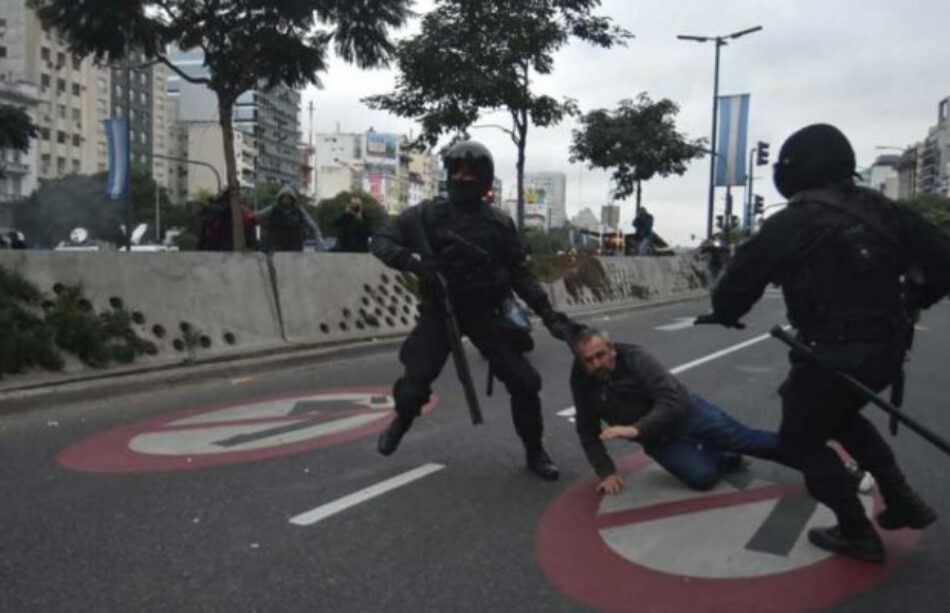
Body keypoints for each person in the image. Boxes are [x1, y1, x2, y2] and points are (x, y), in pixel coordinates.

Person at [698, 123, 950, 563]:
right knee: (838, 415)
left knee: (799, 438)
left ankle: (857, 531)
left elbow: (736, 286)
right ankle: (901, 496)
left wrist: (725, 315)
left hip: (834, 354)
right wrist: (913, 301)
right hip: (888, 352)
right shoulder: (887, 211)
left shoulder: (794, 221)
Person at [370, 140, 581, 480]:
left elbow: (519, 273)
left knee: (525, 381)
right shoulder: (425, 215)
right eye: (457, 170)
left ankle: (534, 450)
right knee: (415, 382)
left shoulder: (498, 224)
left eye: (471, 172)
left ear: (484, 179)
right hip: (441, 309)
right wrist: (415, 263)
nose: (463, 177)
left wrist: (548, 313)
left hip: (487, 311)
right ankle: (403, 418)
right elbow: (380, 241)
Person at [571, 328, 796, 494]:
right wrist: (606, 471)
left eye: (600, 355)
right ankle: (723, 454)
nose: (597, 364)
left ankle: (809, 455)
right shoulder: (582, 383)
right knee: (702, 478)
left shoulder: (635, 357)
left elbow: (672, 400)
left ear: (612, 350)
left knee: (745, 439)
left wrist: (636, 429)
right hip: (657, 439)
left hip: (688, 414)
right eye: (589, 361)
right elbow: (587, 431)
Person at [259, 185, 323, 252]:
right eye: (284, 198)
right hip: (277, 248)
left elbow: (313, 226)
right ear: (280, 198)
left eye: (288, 198)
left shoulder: (299, 211)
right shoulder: (273, 209)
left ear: (292, 199)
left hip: (295, 248)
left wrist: (319, 241)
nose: (286, 200)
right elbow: (258, 216)